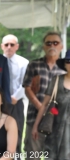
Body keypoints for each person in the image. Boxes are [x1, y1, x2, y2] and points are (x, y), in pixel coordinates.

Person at [22, 31, 65, 160]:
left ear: (61, 46)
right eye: (48, 43)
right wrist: (40, 106)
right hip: (34, 119)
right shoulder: (34, 65)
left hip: (57, 123)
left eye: (55, 43)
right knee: (32, 156)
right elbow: (27, 88)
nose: (52, 45)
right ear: (43, 47)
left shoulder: (65, 69)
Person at [32, 49, 70, 160]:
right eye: (68, 61)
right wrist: (35, 126)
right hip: (54, 131)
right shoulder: (56, 80)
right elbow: (44, 105)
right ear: (64, 64)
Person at [1, 34, 29, 156]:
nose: (9, 47)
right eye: (6, 44)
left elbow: (26, 83)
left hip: (16, 103)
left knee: (17, 131)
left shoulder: (24, 62)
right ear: (2, 46)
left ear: (17, 46)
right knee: (0, 132)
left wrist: (15, 97)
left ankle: (16, 155)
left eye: (12, 45)